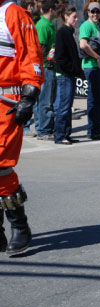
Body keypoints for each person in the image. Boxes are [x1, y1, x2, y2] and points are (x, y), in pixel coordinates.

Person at [0, 0, 43, 254]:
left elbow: (30, 55)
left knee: (1, 165)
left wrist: (29, 95)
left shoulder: (13, 13)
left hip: (6, 100)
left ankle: (20, 226)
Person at [79, 1, 100, 140]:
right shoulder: (87, 25)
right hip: (92, 67)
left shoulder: (97, 25)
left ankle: (96, 129)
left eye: (97, 12)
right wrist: (98, 57)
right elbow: (83, 45)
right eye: (92, 12)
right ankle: (94, 130)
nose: (95, 14)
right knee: (96, 100)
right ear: (88, 12)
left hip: (99, 67)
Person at [53, 6, 84, 145]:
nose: (76, 20)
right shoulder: (62, 33)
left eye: (76, 17)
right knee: (64, 106)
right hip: (64, 75)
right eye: (74, 17)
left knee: (68, 106)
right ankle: (60, 135)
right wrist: (71, 69)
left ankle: (66, 133)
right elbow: (60, 57)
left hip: (69, 74)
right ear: (66, 16)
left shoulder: (69, 32)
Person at [34, 0, 57, 140]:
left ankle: (40, 127)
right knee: (46, 100)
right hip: (46, 68)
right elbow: (41, 48)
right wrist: (46, 64)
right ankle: (44, 130)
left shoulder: (47, 24)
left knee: (43, 100)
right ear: (51, 10)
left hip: (46, 66)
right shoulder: (43, 25)